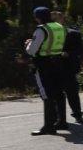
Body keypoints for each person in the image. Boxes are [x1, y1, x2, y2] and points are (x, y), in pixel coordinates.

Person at [24, 7, 67, 136]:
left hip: (44, 64)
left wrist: (28, 44)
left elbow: (32, 50)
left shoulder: (41, 29)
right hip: (59, 62)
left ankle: (49, 126)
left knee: (47, 94)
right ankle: (62, 122)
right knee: (59, 92)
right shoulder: (59, 27)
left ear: (37, 17)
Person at [52, 11, 83, 125]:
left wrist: (68, 53)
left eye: (56, 19)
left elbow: (80, 50)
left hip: (68, 68)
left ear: (62, 19)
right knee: (55, 94)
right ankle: (58, 118)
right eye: (52, 20)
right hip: (52, 68)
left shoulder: (73, 34)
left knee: (72, 92)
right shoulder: (47, 34)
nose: (54, 22)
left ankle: (78, 115)